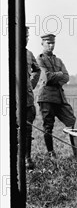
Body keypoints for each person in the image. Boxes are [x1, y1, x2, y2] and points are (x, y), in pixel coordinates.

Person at [37, 33, 76, 158]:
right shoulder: (40, 59)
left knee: (73, 123)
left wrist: (56, 75)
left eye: (52, 43)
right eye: (48, 43)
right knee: (48, 126)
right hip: (46, 97)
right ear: (42, 44)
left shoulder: (58, 60)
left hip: (59, 97)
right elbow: (47, 78)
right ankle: (51, 153)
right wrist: (59, 74)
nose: (50, 45)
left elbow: (66, 77)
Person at [17, 27, 41, 169]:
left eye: (27, 36)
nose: (26, 39)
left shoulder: (28, 54)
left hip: (27, 98)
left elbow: (37, 70)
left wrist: (30, 85)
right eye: (23, 36)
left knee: (27, 129)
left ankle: (27, 158)